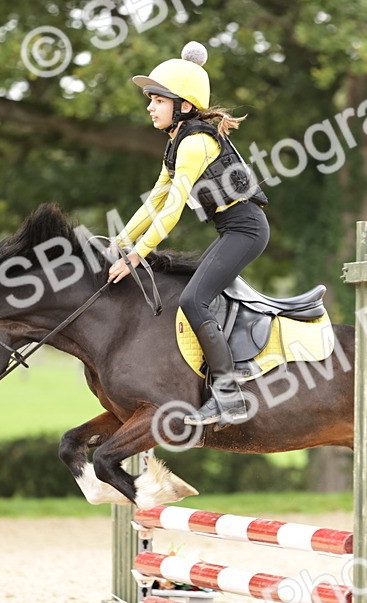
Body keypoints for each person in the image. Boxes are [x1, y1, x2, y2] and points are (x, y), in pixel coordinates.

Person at [109, 42, 268, 428]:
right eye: (150, 99)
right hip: (233, 229)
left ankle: (229, 397)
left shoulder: (196, 143)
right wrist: (117, 242)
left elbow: (173, 208)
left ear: (182, 104)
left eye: (157, 100)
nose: (150, 106)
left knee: (194, 300)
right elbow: (154, 202)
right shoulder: (177, 144)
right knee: (193, 296)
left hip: (246, 230)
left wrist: (136, 256)